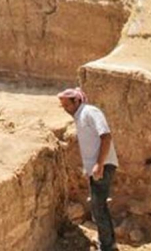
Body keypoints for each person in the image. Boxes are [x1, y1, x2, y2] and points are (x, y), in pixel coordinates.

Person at [58, 87, 119, 251]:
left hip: (104, 165)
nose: (65, 110)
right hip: (98, 166)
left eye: (67, 106)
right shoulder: (80, 116)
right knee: (98, 206)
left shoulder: (90, 112)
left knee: (98, 206)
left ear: (76, 101)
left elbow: (106, 136)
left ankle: (107, 246)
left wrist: (100, 164)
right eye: (63, 107)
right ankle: (107, 243)